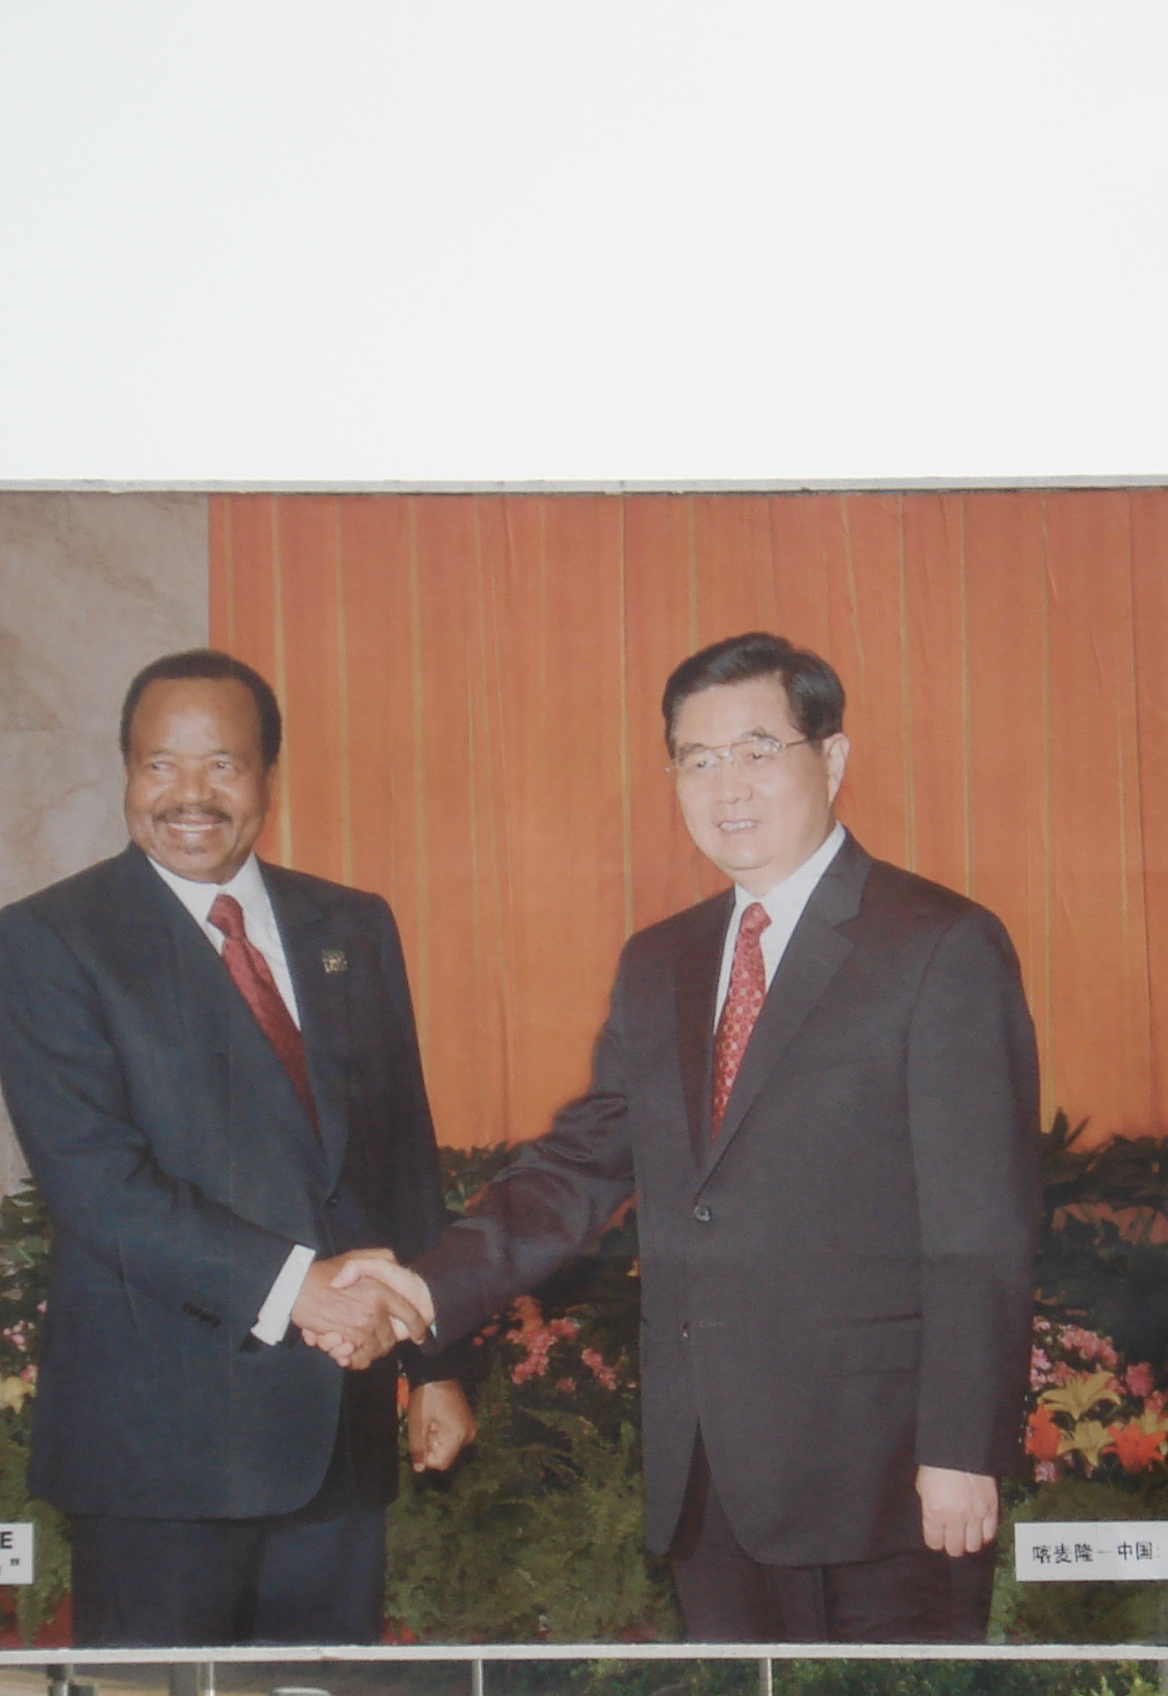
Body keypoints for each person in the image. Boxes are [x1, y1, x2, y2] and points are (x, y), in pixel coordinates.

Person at [343, 632, 1041, 1643]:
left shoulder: (937, 945)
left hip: (886, 1481)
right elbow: (579, 1167)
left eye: (758, 750)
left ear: (831, 760)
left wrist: (961, 1452)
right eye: (697, 760)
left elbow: (981, 1230)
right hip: (708, 1477)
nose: (729, 787)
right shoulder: (659, 962)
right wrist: (421, 1288)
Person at [0, 649, 471, 1648]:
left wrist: (437, 1363)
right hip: (161, 1455)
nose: (189, 797)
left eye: (223, 767)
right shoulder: (51, 939)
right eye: (158, 766)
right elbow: (96, 1185)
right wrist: (300, 1289)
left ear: (266, 781)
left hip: (336, 1442)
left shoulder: (352, 926)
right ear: (124, 774)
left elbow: (400, 1160)